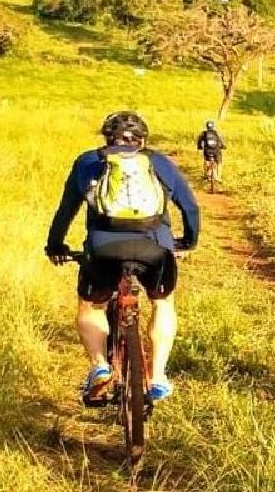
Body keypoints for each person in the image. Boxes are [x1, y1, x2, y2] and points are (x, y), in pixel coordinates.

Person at [45, 111, 201, 404]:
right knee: (162, 302)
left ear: (107, 138)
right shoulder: (158, 162)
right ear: (142, 140)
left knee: (91, 306)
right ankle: (157, 377)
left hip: (103, 249)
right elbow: (190, 207)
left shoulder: (89, 162)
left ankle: (100, 366)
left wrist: (55, 245)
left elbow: (66, 211)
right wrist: (188, 241)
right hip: (155, 248)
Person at [196, 120, 225, 185]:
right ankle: (219, 177)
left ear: (206, 126)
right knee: (219, 163)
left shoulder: (204, 133)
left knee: (206, 161)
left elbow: (199, 141)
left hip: (207, 151)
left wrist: (199, 147)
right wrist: (223, 146)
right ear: (213, 126)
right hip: (216, 151)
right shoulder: (217, 133)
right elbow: (221, 141)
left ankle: (207, 176)